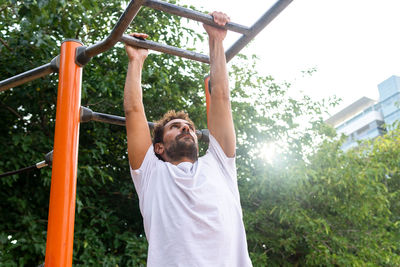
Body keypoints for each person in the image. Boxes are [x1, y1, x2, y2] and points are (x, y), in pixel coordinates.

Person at [124, 11, 252, 267]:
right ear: (158, 147)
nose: (185, 129)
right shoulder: (150, 173)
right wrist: (136, 60)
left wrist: (216, 40)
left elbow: (221, 97)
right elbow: (133, 111)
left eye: (189, 127)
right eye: (175, 127)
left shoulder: (219, 163)